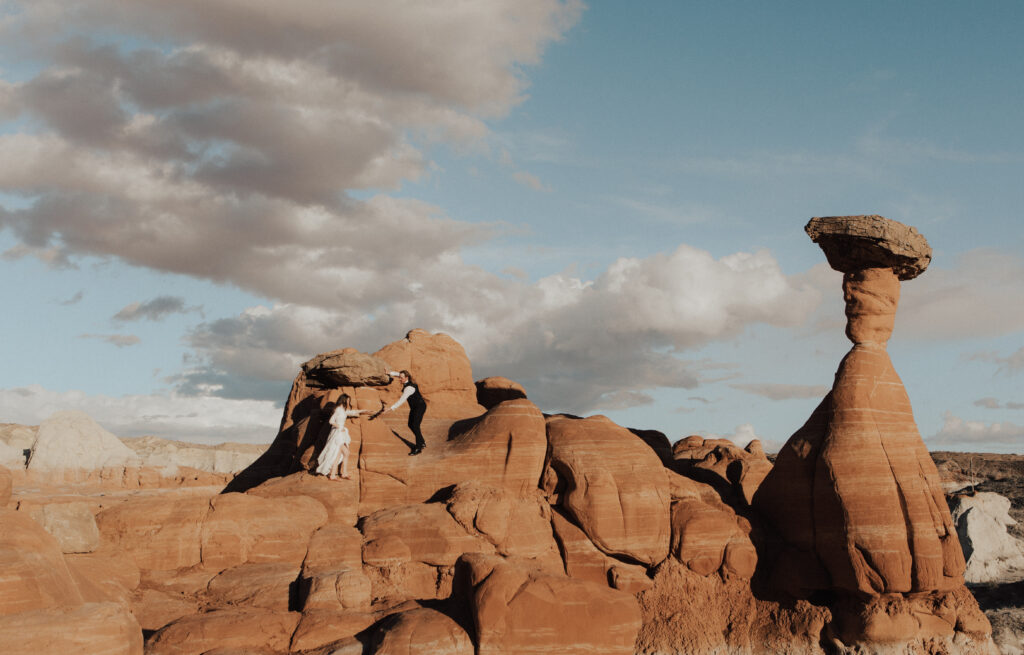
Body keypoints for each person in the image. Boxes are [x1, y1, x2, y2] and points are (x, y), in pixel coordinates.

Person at [315, 394, 370, 480]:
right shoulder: (338, 410)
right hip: (337, 433)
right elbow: (331, 421)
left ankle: (342, 473)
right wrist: (340, 427)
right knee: (339, 454)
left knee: (345, 453)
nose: (349, 402)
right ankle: (333, 475)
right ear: (344, 400)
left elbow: (352, 412)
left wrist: (364, 410)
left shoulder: (343, 410)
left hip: (341, 434)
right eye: (348, 400)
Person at [382, 369, 427, 455]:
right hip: (414, 407)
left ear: (407, 377)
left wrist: (390, 409)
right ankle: (422, 442)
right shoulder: (405, 379)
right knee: (410, 424)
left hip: (420, 407)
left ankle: (418, 448)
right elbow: (398, 374)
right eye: (399, 377)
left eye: (401, 378)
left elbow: (401, 401)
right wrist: (389, 373)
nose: (399, 379)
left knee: (415, 426)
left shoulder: (409, 388)